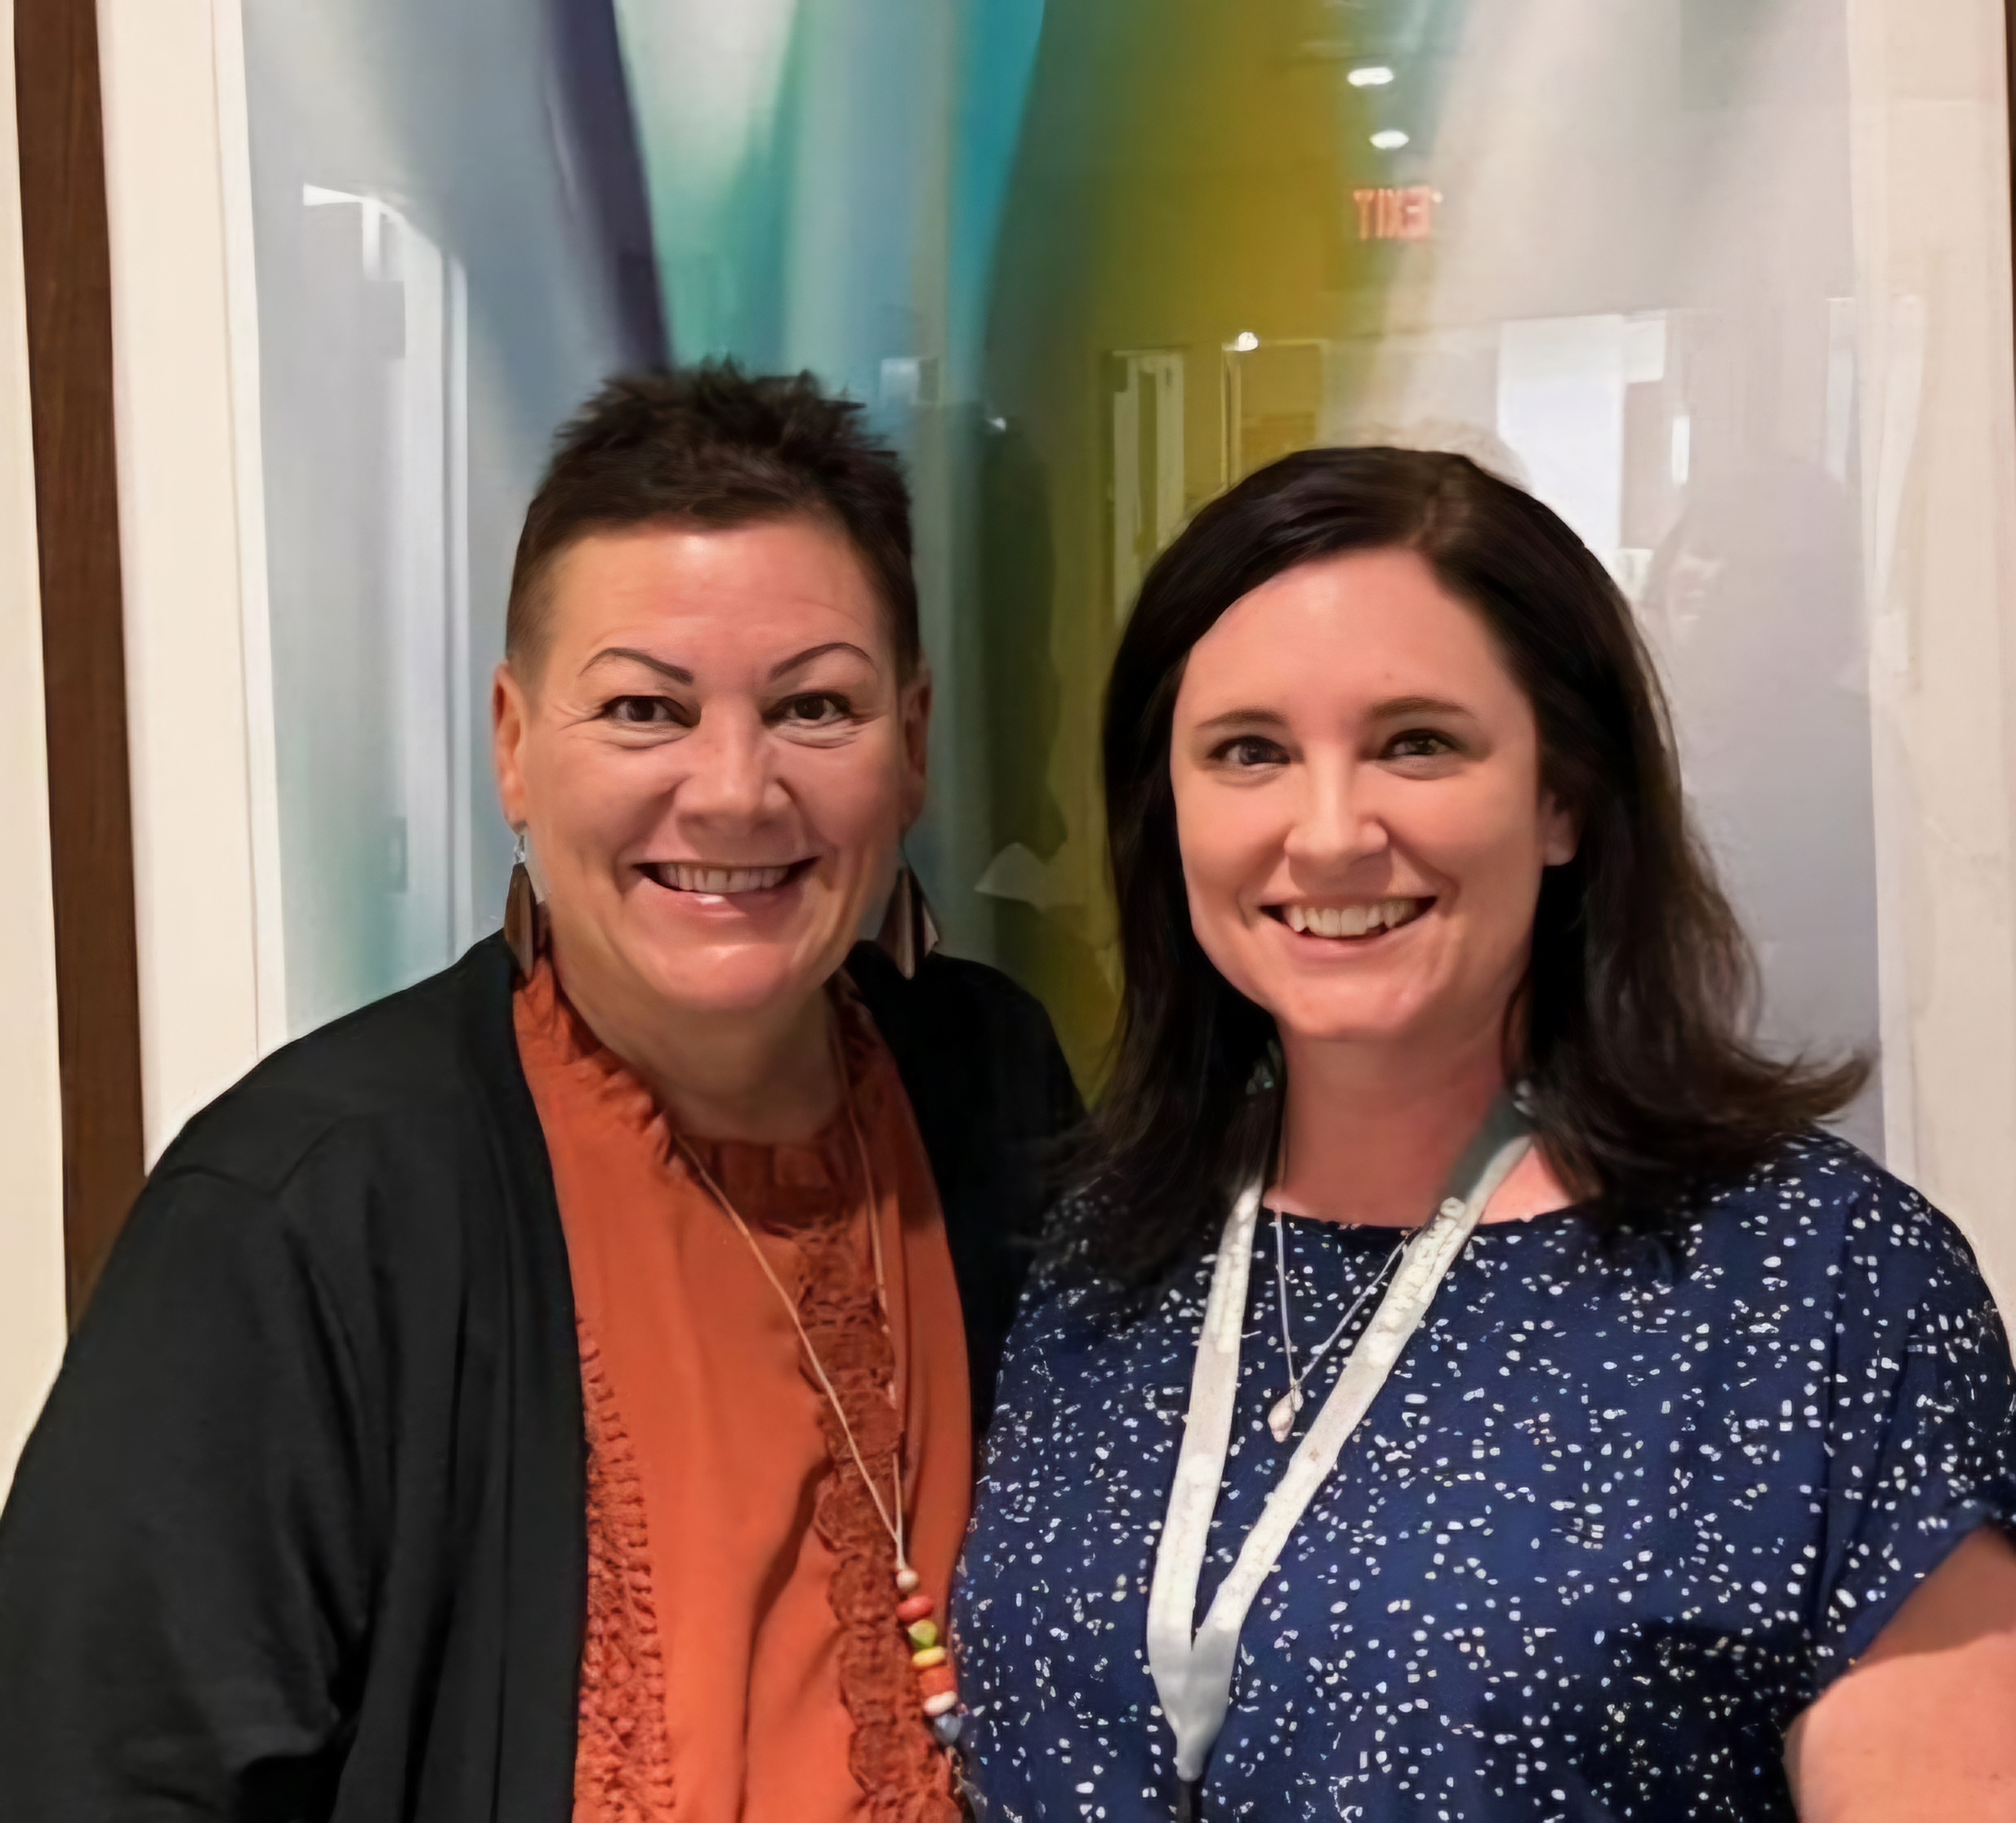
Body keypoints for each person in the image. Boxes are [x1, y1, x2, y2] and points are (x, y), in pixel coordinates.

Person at [0, 363, 1078, 1822]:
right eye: (645, 709)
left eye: (815, 708)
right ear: (513, 746)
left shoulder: (996, 1098)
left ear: (915, 747)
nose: (734, 791)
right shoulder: (300, 1216)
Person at [953, 447, 2016, 1821]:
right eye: (1250, 753)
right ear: (1171, 813)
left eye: (1417, 743)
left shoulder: (1822, 1285)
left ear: (1562, 797)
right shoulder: (1107, 1247)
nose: (1329, 833)